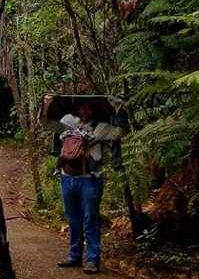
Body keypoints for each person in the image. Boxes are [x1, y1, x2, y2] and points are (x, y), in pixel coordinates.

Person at [56, 103, 124, 274]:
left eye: (88, 108)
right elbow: (47, 124)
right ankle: (74, 256)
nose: (84, 110)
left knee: (90, 219)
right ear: (77, 110)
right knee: (73, 219)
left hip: (90, 180)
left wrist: (120, 112)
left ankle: (93, 259)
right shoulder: (68, 124)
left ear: (94, 111)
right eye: (82, 107)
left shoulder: (100, 128)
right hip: (67, 177)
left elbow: (119, 132)